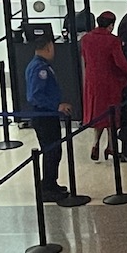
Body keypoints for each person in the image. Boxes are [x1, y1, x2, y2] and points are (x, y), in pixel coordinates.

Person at [81, 11, 127, 162]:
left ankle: (95, 143)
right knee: (111, 115)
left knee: (99, 114)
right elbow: (120, 63)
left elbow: (85, 58)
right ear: (111, 25)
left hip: (92, 82)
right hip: (110, 82)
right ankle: (111, 147)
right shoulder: (113, 41)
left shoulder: (86, 39)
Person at [25, 33, 71, 200]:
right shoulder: (39, 69)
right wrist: (56, 106)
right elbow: (34, 96)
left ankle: (51, 183)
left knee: (54, 151)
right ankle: (47, 188)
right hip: (44, 116)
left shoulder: (39, 65)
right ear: (48, 48)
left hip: (48, 115)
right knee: (51, 151)